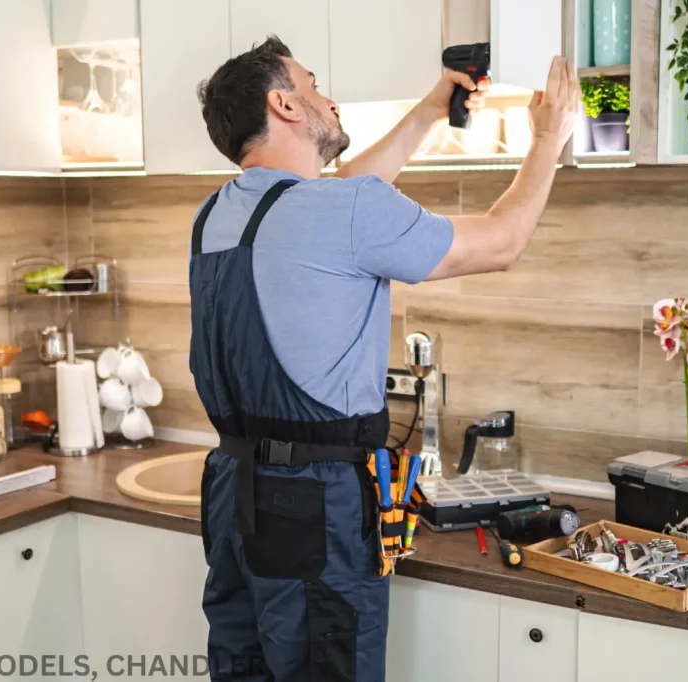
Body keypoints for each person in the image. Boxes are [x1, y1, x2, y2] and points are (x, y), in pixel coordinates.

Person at [189, 34, 579, 682]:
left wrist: (432, 108)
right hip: (313, 509)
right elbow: (502, 242)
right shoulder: (343, 212)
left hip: (233, 494)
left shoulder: (217, 213)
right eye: (313, 84)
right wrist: (547, 139)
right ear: (284, 105)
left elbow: (342, 196)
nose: (329, 98)